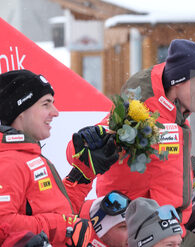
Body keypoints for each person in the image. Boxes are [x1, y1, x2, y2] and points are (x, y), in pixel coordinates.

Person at [66, 39, 195, 246]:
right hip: (141, 230)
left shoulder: (177, 119)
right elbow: (82, 148)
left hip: (174, 227)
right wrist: (89, 139)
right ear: (178, 81)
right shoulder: (139, 113)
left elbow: (161, 171)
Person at [0, 70, 119, 246]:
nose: (55, 112)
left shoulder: (26, 154)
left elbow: (58, 211)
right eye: (46, 104)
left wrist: (82, 174)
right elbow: (3, 224)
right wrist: (65, 227)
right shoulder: (9, 161)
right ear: (21, 111)